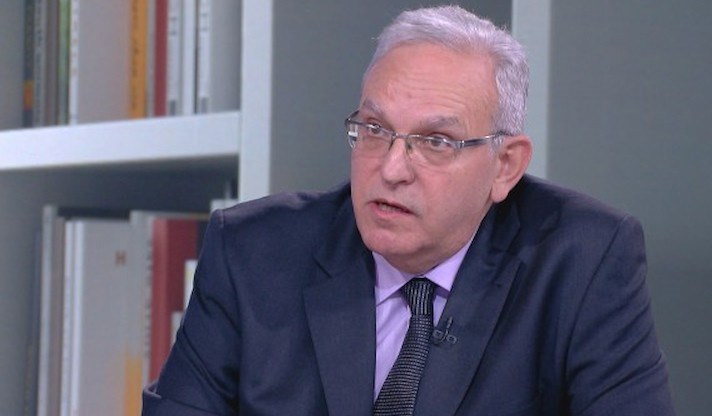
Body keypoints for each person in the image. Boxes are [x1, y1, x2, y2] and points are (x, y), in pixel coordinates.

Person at [142, 5, 675, 415]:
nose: (392, 168)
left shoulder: (583, 261)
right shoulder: (253, 253)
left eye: (436, 141)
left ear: (505, 165)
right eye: (375, 130)